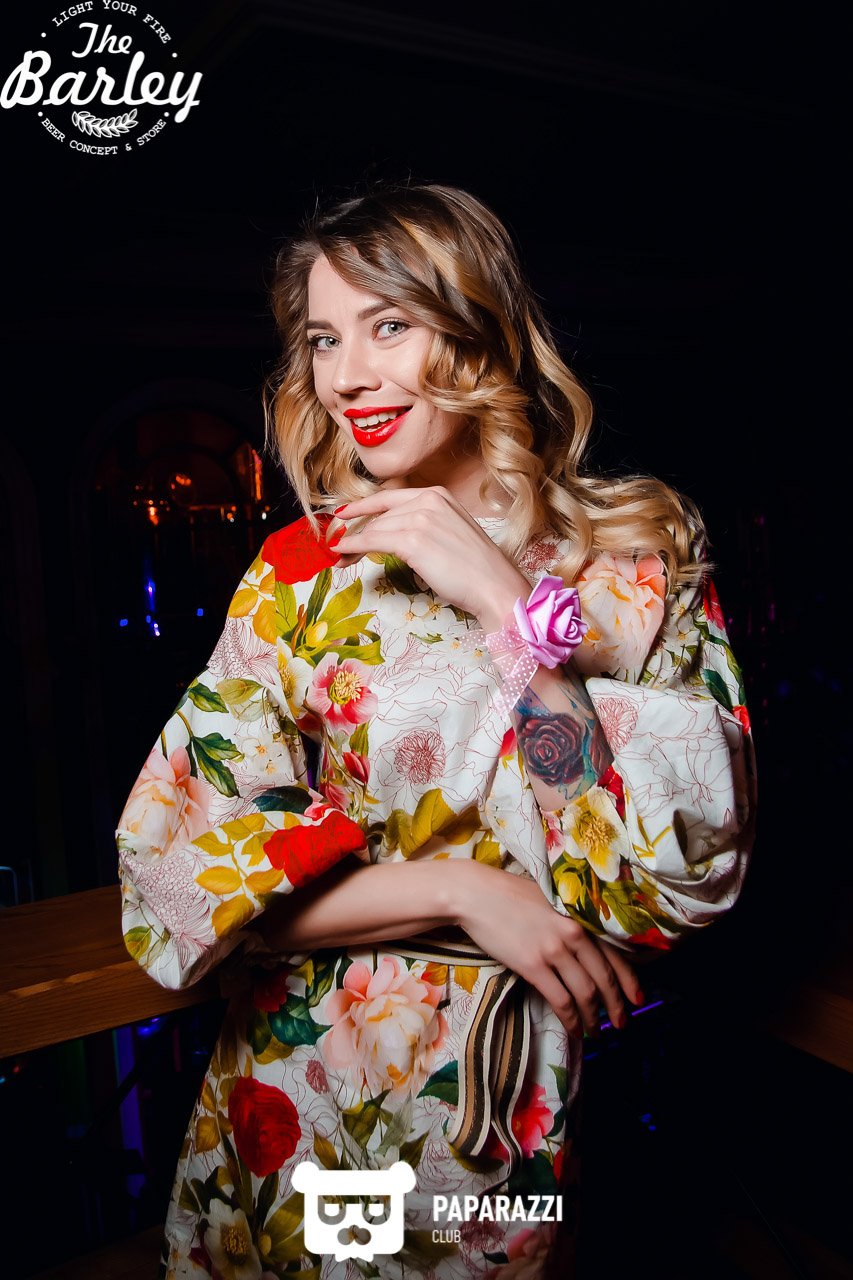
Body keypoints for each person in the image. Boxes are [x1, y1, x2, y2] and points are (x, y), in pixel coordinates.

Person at [117, 182, 756, 1280]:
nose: (344, 376)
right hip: (305, 1087)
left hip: (517, 1097)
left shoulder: (635, 561)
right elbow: (174, 888)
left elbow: (660, 888)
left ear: (477, 329)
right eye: (323, 338)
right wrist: (465, 892)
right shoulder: (299, 574)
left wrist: (510, 610)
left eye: (388, 325)